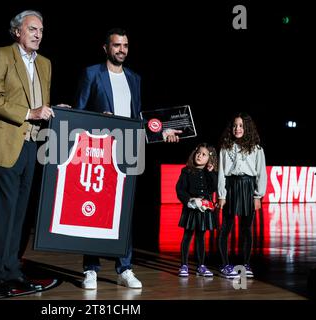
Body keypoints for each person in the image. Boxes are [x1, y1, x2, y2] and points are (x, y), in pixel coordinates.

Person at [75, 28, 180, 290]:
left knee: (124, 213)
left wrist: (161, 131)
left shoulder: (134, 78)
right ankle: (91, 269)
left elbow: (138, 118)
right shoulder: (91, 73)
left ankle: (125, 268)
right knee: (95, 211)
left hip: (127, 153)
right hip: (98, 152)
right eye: (117, 45)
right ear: (106, 48)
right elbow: (79, 112)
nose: (122, 50)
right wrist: (100, 119)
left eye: (125, 46)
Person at [0, 10, 55, 296]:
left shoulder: (45, 64)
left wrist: (55, 111)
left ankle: (12, 270)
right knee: (4, 212)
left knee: (20, 214)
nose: (38, 34)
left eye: (41, 30)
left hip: (31, 145)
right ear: (16, 32)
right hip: (4, 143)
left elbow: (40, 104)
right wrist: (29, 112)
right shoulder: (1, 55)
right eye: (32, 29)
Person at [217, 112, 267, 279]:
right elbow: (222, 173)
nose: (237, 128)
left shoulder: (256, 148)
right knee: (226, 228)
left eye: (240, 126)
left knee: (246, 229)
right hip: (231, 186)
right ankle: (225, 264)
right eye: (234, 125)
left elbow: (261, 173)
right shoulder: (225, 147)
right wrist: (221, 195)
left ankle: (245, 264)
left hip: (247, 187)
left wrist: (258, 196)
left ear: (247, 128)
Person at [176, 143, 218, 277]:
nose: (199, 155)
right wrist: (189, 201)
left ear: (209, 159)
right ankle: (184, 265)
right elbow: (180, 190)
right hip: (192, 207)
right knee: (187, 236)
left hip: (204, 209)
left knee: (201, 237)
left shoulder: (208, 173)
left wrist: (211, 173)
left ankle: (201, 266)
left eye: (204, 154)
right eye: (198, 153)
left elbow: (213, 188)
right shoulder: (186, 171)